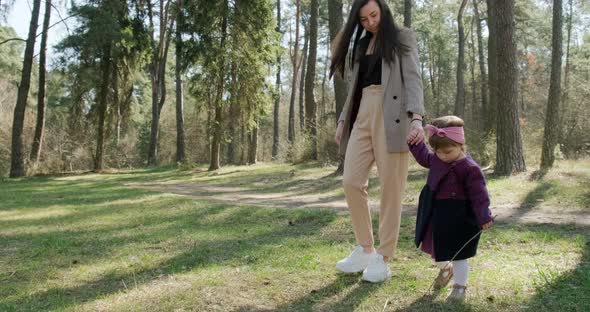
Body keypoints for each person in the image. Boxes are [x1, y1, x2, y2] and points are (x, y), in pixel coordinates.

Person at [329, 0, 425, 283]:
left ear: (383, 10)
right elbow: (353, 89)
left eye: (373, 15)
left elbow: (413, 78)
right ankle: (365, 248)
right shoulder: (361, 46)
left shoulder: (402, 37)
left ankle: (383, 257)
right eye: (363, 19)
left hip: (393, 115)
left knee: (391, 188)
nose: (370, 22)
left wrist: (417, 118)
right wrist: (343, 120)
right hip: (362, 115)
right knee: (351, 180)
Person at [408, 115, 494, 301]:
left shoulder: (470, 168)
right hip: (438, 213)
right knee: (437, 251)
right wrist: (415, 143)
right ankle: (445, 269)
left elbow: (480, 196)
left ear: (460, 145)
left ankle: (460, 287)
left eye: (448, 152)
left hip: (460, 216)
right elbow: (424, 156)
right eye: (438, 152)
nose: (442, 156)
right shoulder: (436, 159)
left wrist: (484, 216)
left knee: (459, 254)